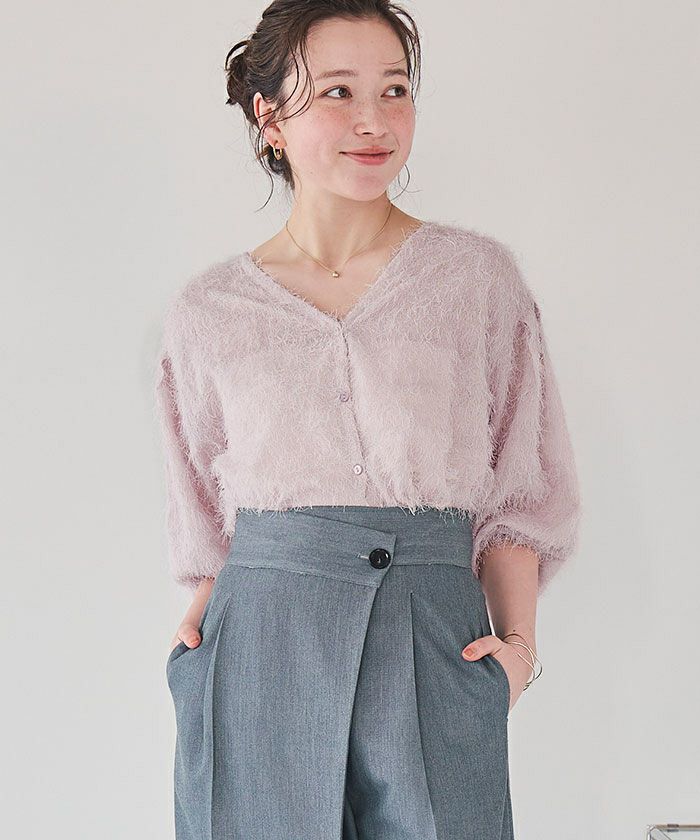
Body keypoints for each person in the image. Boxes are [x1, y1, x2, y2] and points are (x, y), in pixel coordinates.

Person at [154, 2, 582, 838]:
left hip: (432, 632)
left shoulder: (476, 280)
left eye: (394, 89)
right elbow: (204, 517)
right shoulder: (210, 311)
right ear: (269, 117)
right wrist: (196, 653)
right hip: (258, 647)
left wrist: (517, 653)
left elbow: (522, 489)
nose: (374, 121)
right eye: (338, 92)